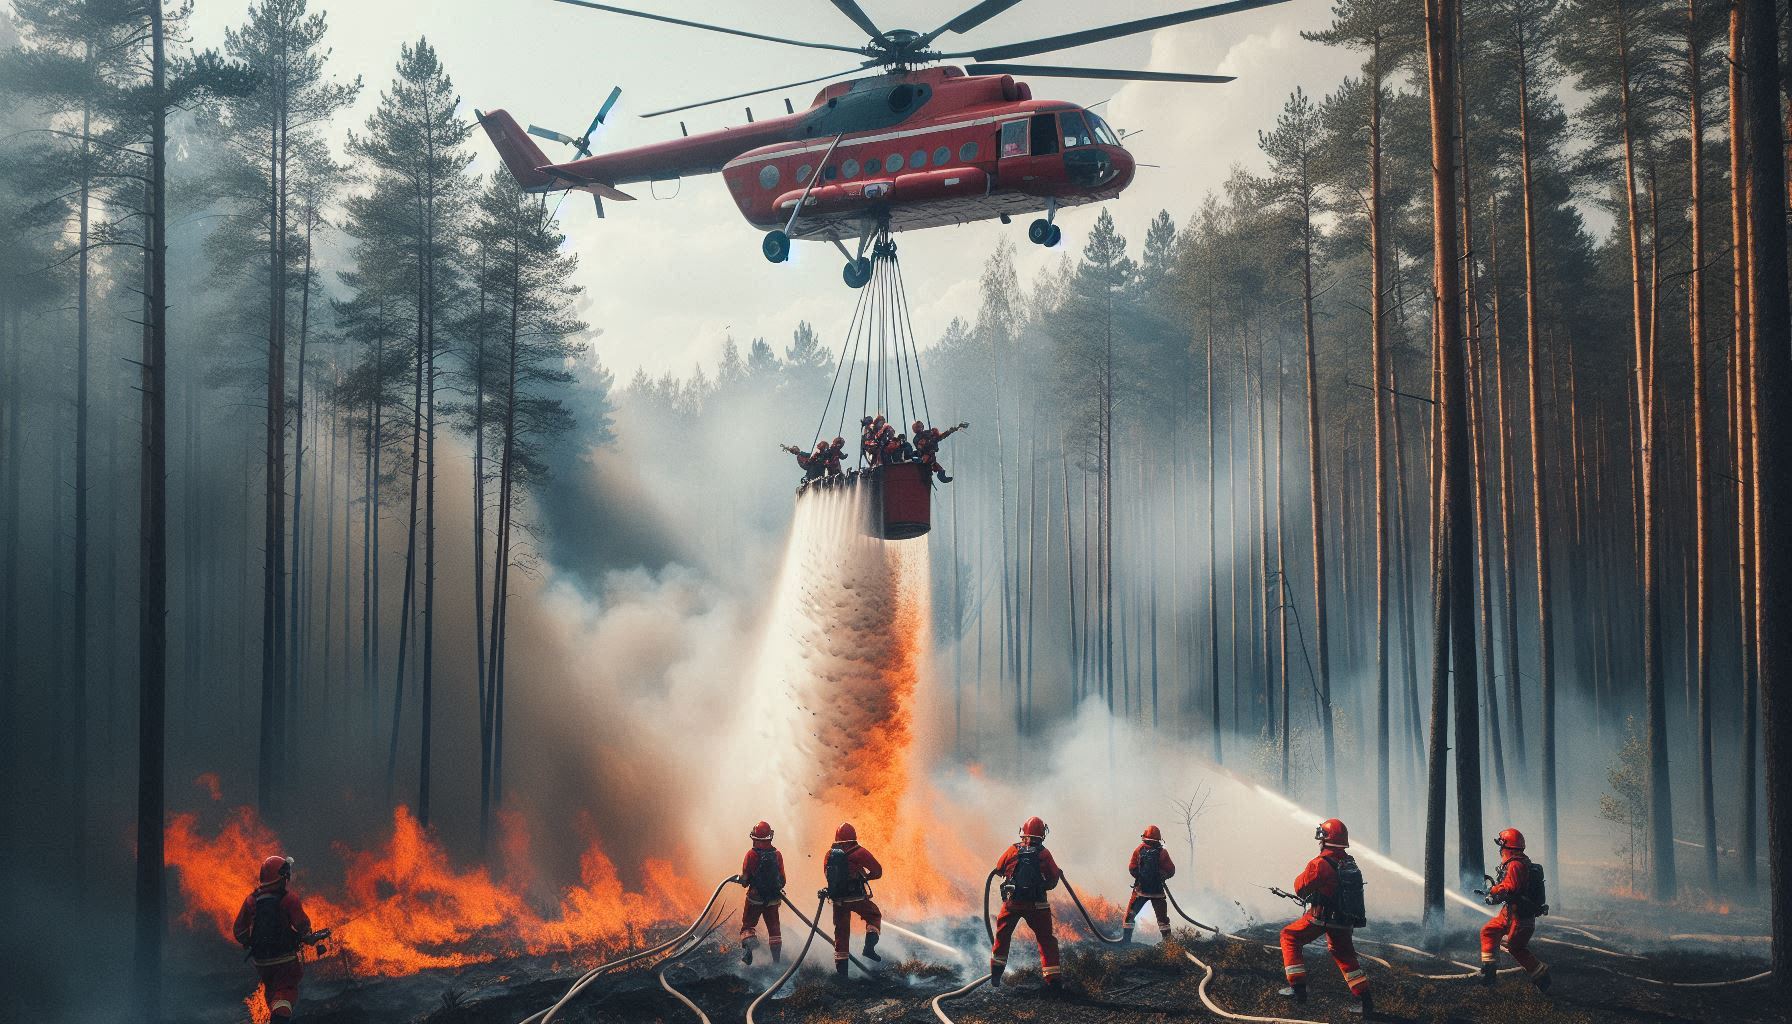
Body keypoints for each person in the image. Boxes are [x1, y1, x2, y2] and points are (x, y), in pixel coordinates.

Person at [1278, 819, 1372, 1016]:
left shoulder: (1319, 864)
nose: (1319, 842)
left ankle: (1298, 989)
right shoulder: (1349, 862)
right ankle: (1366, 1002)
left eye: (1321, 838)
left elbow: (1300, 888)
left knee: (1289, 936)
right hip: (1344, 921)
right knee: (1345, 955)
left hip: (1321, 918)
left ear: (1325, 840)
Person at [233, 855, 327, 1021]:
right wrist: (309, 937)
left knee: (271, 991)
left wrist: (252, 942)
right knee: (286, 990)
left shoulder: (251, 900)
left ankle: (272, 1015)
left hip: (261, 962)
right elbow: (302, 925)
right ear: (282, 877)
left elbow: (239, 931)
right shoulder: (289, 899)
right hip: (285, 960)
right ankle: (280, 1019)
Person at [989, 816, 1063, 992]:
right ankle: (1053, 980)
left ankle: (996, 975)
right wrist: (1042, 885)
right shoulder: (1044, 854)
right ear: (1042, 834)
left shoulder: (1012, 849)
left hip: (1012, 904)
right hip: (1037, 906)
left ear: (1023, 833)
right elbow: (1053, 879)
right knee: (1046, 940)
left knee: (1002, 937)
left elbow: (999, 868)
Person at [1479, 828, 1551, 991]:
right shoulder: (1516, 863)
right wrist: (1493, 894)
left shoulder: (1516, 865)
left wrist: (1494, 891)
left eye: (1502, 846)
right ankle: (1489, 972)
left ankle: (1542, 976)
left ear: (1508, 847)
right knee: (1488, 931)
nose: (1500, 850)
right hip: (1509, 913)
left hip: (1520, 917)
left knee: (1516, 948)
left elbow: (1510, 888)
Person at [822, 822, 883, 977]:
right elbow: (877, 871)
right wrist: (866, 877)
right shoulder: (859, 852)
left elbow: (827, 875)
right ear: (853, 837)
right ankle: (869, 948)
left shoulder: (829, 854)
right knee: (873, 915)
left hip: (838, 900)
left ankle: (842, 975)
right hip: (857, 897)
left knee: (841, 934)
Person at [738, 821, 786, 965]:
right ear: (769, 837)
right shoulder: (777, 854)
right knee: (774, 930)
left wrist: (742, 880)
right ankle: (776, 962)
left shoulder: (751, 854)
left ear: (755, 838)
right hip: (773, 899)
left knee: (748, 926)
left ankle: (749, 947)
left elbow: (745, 879)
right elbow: (782, 879)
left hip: (756, 897)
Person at [1122, 824, 1177, 944]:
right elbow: (1171, 870)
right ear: (1159, 839)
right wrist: (1162, 876)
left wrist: (1141, 878)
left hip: (1140, 891)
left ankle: (1125, 942)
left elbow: (1132, 868)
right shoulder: (1163, 852)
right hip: (1157, 892)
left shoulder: (1138, 850)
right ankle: (1168, 944)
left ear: (1145, 837)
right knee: (1163, 920)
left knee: (1130, 916)